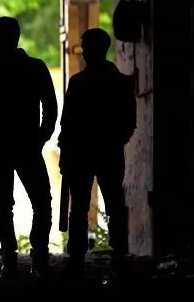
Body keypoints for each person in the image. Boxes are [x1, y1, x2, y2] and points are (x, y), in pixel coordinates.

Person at [0, 16, 57, 278]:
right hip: (27, 146)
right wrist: (40, 137)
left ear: (7, 38)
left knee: (4, 204)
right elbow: (50, 108)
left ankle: (10, 258)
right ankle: (38, 257)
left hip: (1, 147)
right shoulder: (35, 68)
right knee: (41, 201)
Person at [59, 28, 136, 279]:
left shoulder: (79, 83)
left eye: (85, 47)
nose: (84, 53)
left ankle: (78, 260)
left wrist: (67, 153)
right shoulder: (121, 82)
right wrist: (114, 143)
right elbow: (129, 122)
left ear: (94, 50)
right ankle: (119, 258)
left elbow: (67, 123)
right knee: (114, 207)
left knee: (80, 208)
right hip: (109, 153)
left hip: (83, 154)